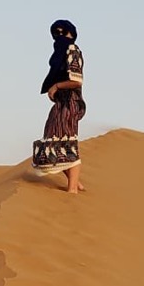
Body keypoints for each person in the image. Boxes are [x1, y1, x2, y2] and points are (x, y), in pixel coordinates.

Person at [32, 19, 85, 193]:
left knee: (68, 143)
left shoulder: (72, 50)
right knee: (51, 143)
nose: (60, 36)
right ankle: (75, 182)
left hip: (71, 103)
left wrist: (56, 86)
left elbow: (76, 81)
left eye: (63, 33)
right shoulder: (61, 53)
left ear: (71, 34)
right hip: (61, 104)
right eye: (56, 33)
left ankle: (72, 190)